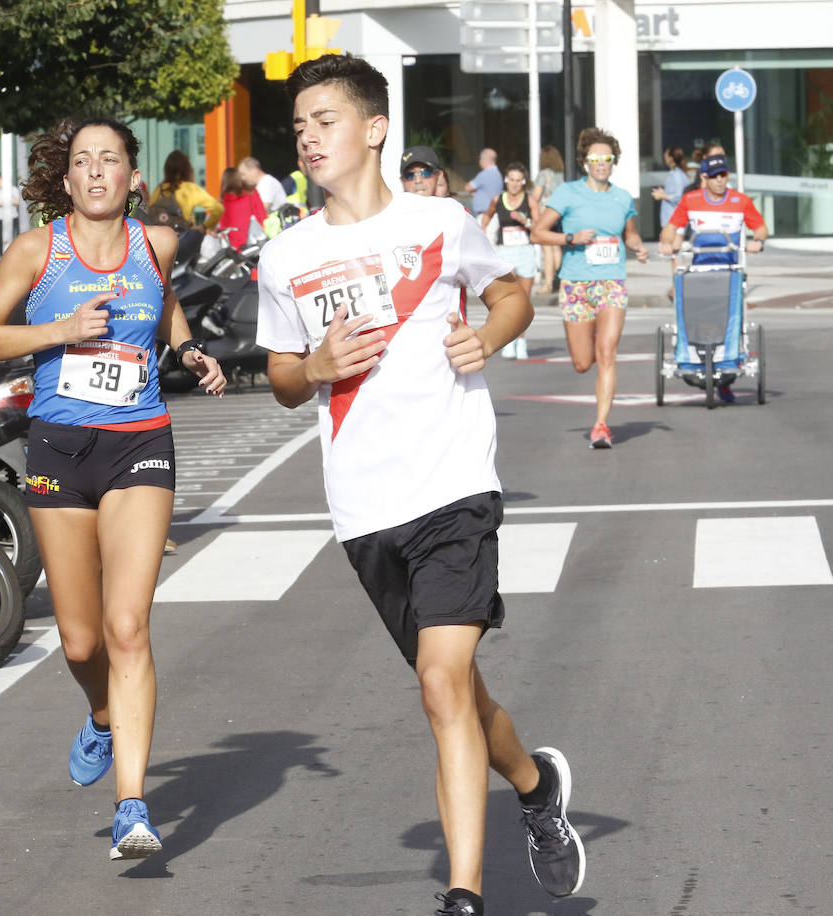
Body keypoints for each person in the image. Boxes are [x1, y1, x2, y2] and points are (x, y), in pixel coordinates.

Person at [256, 53, 582, 916]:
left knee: (441, 684)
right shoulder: (286, 256)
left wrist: (491, 334)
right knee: (460, 691)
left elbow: (513, 294)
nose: (309, 138)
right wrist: (315, 365)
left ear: (373, 128)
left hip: (453, 485)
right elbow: (283, 375)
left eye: (324, 120)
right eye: (298, 127)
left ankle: (463, 897)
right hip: (364, 504)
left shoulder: (440, 219)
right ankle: (534, 783)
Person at [0, 116, 225, 862]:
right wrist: (60, 331)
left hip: (139, 442)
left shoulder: (159, 243)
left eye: (110, 159)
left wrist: (184, 346)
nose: (96, 172)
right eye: (83, 161)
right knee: (81, 641)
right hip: (58, 446)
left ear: (131, 176)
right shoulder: (35, 250)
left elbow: (164, 296)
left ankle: (133, 806)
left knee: (126, 628)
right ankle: (104, 717)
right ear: (69, 179)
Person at [532, 127, 649, 449]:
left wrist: (638, 247)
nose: (601, 163)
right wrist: (570, 238)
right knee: (583, 363)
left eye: (606, 158)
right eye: (595, 158)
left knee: (607, 353)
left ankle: (601, 426)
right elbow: (538, 233)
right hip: (576, 284)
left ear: (613, 162)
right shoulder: (568, 193)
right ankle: (593, 342)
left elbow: (631, 234)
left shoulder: (622, 197)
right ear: (585, 161)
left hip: (612, 282)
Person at [658, 153, 768, 404]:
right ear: (704, 177)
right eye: (715, 176)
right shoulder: (691, 200)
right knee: (698, 315)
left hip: (731, 270)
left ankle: (727, 369)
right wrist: (666, 243)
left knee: (729, 320)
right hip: (700, 270)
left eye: (724, 175)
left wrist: (758, 241)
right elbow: (672, 226)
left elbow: (760, 226)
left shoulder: (740, 201)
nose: (720, 180)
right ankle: (693, 358)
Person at [482, 162, 538, 359]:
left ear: (523, 182)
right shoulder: (498, 199)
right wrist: (482, 233)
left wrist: (525, 222)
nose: (514, 184)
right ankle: (510, 341)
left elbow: (539, 228)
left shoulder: (530, 201)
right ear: (506, 180)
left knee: (524, 299)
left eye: (518, 181)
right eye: (511, 180)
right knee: (508, 299)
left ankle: (521, 340)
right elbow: (486, 217)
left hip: (525, 252)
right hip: (505, 252)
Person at [149, 150, 223, 229]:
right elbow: (218, 209)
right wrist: (204, 227)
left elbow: (149, 213)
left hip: (161, 237)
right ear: (187, 169)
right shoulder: (190, 189)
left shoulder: (159, 189)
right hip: (184, 237)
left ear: (166, 169)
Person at [531, 145, 566, 293]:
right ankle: (561, 282)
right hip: (559, 214)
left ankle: (548, 284)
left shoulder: (543, 174)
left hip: (545, 214)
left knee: (547, 250)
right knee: (557, 247)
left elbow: (536, 197)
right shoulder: (560, 175)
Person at [217, 166, 267, 249]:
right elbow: (262, 216)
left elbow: (222, 229)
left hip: (232, 250)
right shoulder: (252, 194)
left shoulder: (221, 204)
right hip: (252, 245)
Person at [651, 145, 689, 230]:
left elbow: (679, 197)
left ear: (671, 158)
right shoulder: (674, 173)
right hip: (670, 220)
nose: (664, 157)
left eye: (666, 155)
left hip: (674, 221)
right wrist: (663, 193)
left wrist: (662, 196)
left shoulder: (677, 175)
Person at [0, 173, 22, 252]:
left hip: (12, 217)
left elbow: (18, 201)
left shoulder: (13, 189)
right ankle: (2, 255)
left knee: (11, 237)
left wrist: (6, 203)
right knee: (0, 238)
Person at [464, 147, 503, 217]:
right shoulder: (498, 174)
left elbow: (468, 187)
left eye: (480, 159)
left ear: (483, 160)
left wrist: (475, 193)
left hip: (485, 214)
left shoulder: (485, 174)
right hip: (493, 212)